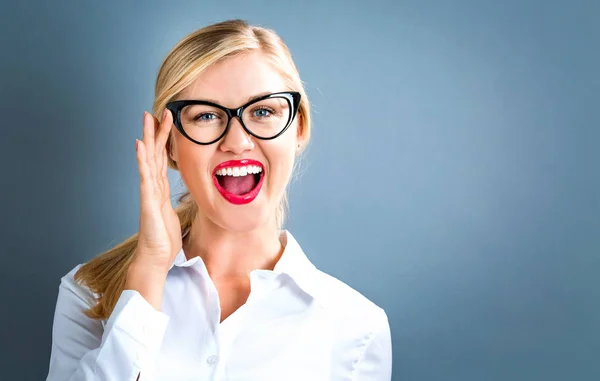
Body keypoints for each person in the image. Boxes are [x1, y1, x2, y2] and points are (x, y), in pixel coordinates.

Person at [45, 19, 392, 381]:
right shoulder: (90, 294)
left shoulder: (357, 328)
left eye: (263, 111)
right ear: (170, 145)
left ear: (298, 128)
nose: (237, 142)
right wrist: (147, 272)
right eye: (206, 116)